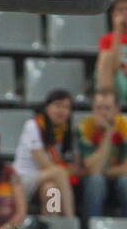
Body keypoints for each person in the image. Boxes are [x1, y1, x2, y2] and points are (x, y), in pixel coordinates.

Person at [12, 89, 80, 219]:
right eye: (58, 105)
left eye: (66, 107)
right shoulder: (33, 126)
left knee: (51, 190)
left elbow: (74, 164)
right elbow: (44, 164)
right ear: (47, 108)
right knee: (59, 172)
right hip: (23, 180)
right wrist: (66, 171)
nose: (62, 111)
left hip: (44, 179)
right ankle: (70, 220)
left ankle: (51, 228)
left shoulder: (65, 132)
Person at [77, 87, 127, 221]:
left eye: (107, 108)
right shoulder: (85, 127)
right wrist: (107, 134)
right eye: (98, 108)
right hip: (91, 184)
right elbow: (92, 169)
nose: (102, 113)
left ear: (117, 109)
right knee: (96, 181)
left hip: (119, 181)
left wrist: (101, 170)